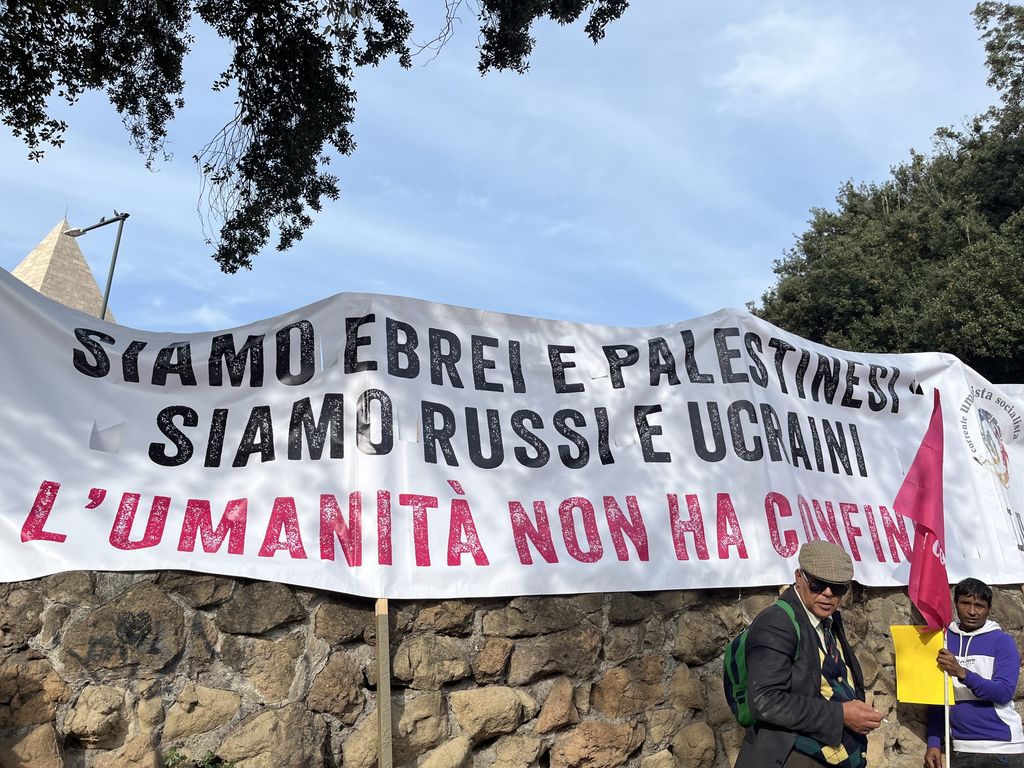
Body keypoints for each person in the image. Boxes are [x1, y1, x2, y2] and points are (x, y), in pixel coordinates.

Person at [735, 540, 883, 768]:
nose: (827, 594)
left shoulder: (829, 620)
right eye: (817, 584)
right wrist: (841, 714)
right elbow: (765, 700)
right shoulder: (776, 622)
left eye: (838, 588)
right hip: (792, 757)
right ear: (798, 577)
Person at [924, 577, 1024, 768]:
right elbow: (939, 697)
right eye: (966, 603)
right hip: (962, 749)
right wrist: (934, 743)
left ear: (989, 609)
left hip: (1003, 750)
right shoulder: (943, 640)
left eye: (979, 605)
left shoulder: (1002, 642)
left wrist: (962, 672)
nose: (972, 611)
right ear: (956, 604)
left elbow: (1004, 693)